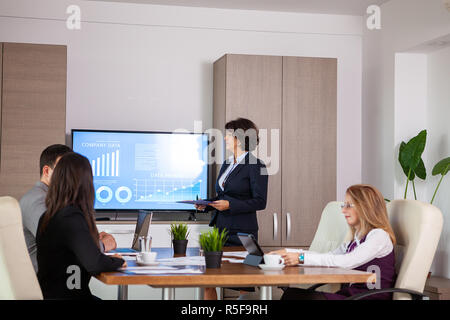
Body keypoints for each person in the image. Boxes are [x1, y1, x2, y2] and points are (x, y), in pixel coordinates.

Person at [271, 184, 397, 300]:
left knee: (296, 297)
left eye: (349, 205)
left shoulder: (379, 236)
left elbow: (346, 262)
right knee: (292, 294)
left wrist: (301, 258)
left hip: (369, 298)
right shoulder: (355, 241)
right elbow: (330, 256)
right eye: (343, 205)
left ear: (365, 208)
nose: (343, 211)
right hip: (352, 296)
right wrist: (289, 252)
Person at [36, 152, 126, 300]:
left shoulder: (49, 216)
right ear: (85, 183)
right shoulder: (71, 217)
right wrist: (119, 261)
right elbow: (95, 264)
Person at [196, 118, 269, 300]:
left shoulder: (256, 165)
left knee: (244, 286)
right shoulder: (228, 163)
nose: (226, 139)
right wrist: (206, 204)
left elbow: (260, 201)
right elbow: (223, 196)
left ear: (239, 138)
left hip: (243, 235)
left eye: (228, 135)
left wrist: (231, 205)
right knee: (208, 281)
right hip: (221, 232)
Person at [20, 144, 116, 272]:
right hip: (46, 284)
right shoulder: (38, 201)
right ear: (47, 171)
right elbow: (65, 245)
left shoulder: (51, 199)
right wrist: (102, 244)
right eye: (62, 171)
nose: (69, 176)